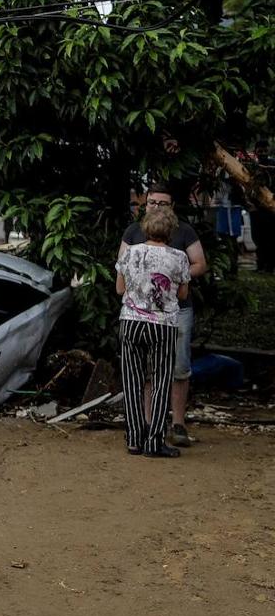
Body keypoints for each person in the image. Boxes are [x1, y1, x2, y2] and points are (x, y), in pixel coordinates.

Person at [118, 182, 208, 446]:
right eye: (152, 202)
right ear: (146, 204)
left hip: (163, 316)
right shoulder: (133, 232)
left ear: (172, 207)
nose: (156, 207)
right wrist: (170, 278)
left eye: (162, 203)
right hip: (154, 317)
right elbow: (123, 273)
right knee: (150, 374)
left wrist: (164, 277)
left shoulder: (184, 232)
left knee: (175, 369)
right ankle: (149, 429)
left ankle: (172, 425)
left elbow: (200, 263)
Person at [116, 209, 191, 457]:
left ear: (145, 228)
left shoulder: (130, 253)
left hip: (131, 321)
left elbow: (119, 289)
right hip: (163, 324)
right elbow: (182, 295)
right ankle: (154, 441)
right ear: (171, 232)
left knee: (132, 380)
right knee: (160, 382)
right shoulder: (179, 257)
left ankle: (134, 439)